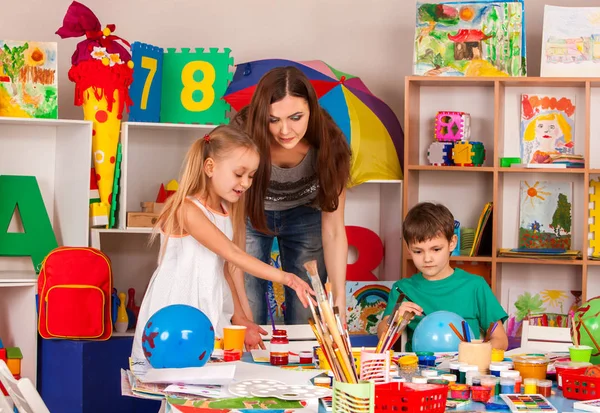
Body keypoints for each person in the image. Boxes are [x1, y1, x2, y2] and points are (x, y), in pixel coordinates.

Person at [131, 125, 315, 364]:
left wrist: (241, 319)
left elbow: (227, 269)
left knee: (204, 387)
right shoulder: (186, 209)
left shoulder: (229, 211)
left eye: (251, 175)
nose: (246, 183)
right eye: (239, 174)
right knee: (174, 383)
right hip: (176, 312)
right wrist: (287, 278)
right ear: (210, 167)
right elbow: (231, 252)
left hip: (209, 308)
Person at [231, 66, 352, 332]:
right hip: (251, 214)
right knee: (250, 305)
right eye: (273, 120)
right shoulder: (243, 134)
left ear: (312, 109)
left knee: (306, 311)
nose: (285, 130)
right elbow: (235, 232)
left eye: (296, 117)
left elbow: (333, 229)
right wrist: (240, 311)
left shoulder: (330, 143)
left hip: (306, 215)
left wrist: (340, 297)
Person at [377, 202, 508, 351]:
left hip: (465, 370)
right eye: (418, 251)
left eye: (436, 249)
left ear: (452, 243)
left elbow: (501, 340)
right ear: (408, 249)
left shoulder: (475, 285)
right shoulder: (403, 289)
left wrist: (476, 354)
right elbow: (382, 339)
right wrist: (395, 319)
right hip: (418, 371)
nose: (427, 259)